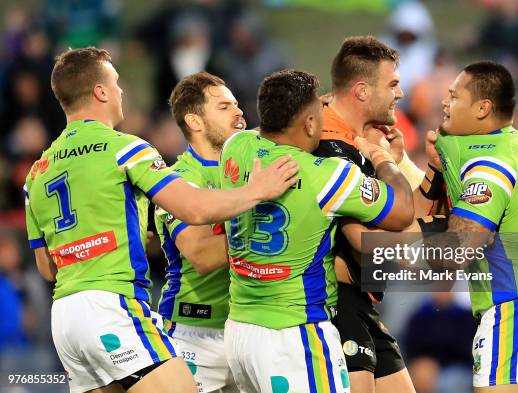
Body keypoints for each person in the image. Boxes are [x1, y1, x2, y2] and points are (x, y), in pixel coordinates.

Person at [24, 47, 298, 393]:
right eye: (117, 82)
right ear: (101, 91)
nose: (122, 91)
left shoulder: (37, 173)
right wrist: (259, 191)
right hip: (113, 305)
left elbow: (48, 268)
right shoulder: (124, 148)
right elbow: (194, 209)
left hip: (64, 316)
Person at [348, 61, 518, 393]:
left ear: (482, 108)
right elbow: (455, 188)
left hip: (514, 312)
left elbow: (457, 250)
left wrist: (371, 238)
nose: (443, 102)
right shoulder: (510, 143)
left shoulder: (490, 166)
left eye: (454, 96)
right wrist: (403, 163)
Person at [220, 69, 415, 393]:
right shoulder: (326, 176)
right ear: (310, 123)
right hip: (295, 330)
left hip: (241, 330)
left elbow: (263, 130)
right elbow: (402, 210)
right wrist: (383, 158)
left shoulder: (236, 147)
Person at [314, 36, 443, 393]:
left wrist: (402, 162)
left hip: (362, 300)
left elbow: (400, 211)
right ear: (361, 90)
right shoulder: (327, 147)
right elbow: (370, 243)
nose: (400, 93)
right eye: (392, 84)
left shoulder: (362, 142)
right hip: (331, 301)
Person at [155, 71, 244, 393]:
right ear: (194, 121)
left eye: (236, 104)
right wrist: (275, 239)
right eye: (223, 106)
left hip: (250, 329)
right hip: (194, 332)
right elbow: (202, 254)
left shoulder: (252, 168)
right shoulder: (176, 180)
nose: (238, 112)